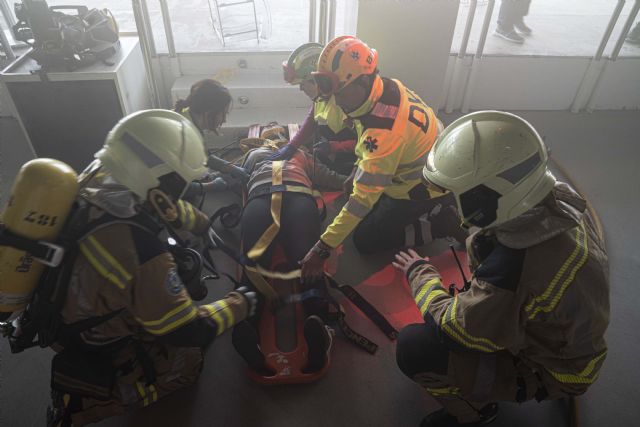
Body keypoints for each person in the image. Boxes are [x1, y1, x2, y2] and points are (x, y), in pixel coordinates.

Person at [393, 111, 609, 427]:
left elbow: (455, 330)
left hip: (553, 369)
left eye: (455, 196)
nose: (450, 202)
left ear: (486, 199)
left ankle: (476, 414)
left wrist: (419, 273)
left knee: (415, 348)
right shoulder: (556, 199)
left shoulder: (510, 270)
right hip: (567, 341)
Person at [45, 110, 257, 426]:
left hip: (64, 305)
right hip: (97, 338)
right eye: (182, 181)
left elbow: (162, 205)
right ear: (166, 180)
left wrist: (198, 223)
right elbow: (188, 331)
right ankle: (85, 405)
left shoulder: (101, 174)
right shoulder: (142, 250)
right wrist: (241, 304)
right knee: (189, 362)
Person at [299, 35, 462, 283]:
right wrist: (357, 169)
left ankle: (441, 222)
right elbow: (366, 138)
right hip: (427, 161)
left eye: (340, 94)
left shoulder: (385, 134)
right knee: (355, 191)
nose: (338, 102)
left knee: (365, 240)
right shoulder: (385, 87)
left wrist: (322, 248)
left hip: (419, 188)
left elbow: (360, 202)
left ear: (362, 81)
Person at [232, 145, 347, 374]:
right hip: (299, 200)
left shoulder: (252, 156)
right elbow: (330, 177)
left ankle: (248, 325)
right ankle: (318, 322)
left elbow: (232, 178)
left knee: (254, 271)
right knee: (309, 266)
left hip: (260, 199)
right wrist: (355, 182)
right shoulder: (301, 153)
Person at [272, 41, 358, 175]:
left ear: (316, 82)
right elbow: (311, 120)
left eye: (302, 84)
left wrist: (335, 147)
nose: (301, 89)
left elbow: (365, 143)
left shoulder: (345, 104)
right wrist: (292, 146)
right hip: (331, 152)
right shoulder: (322, 98)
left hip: (351, 162)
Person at [174, 78, 234, 199]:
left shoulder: (184, 115)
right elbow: (176, 189)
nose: (224, 120)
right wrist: (211, 186)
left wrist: (232, 168)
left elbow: (204, 156)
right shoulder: (185, 136)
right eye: (224, 114)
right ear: (209, 113)